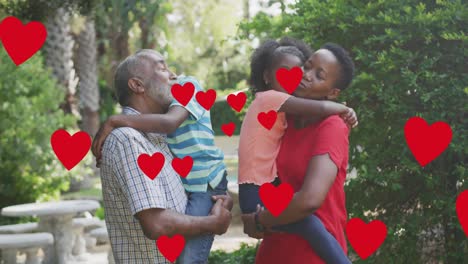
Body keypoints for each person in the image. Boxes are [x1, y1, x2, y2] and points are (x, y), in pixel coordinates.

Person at [94, 50, 230, 264]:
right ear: (137, 85)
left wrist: (216, 198)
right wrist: (214, 223)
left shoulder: (159, 135)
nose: (173, 75)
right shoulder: (128, 140)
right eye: (162, 68)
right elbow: (157, 224)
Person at [238, 38, 355, 263]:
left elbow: (310, 199)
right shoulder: (284, 120)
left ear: (333, 93)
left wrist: (260, 219)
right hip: (275, 249)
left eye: (319, 75)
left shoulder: (332, 126)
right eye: (307, 66)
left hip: (314, 254)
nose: (306, 75)